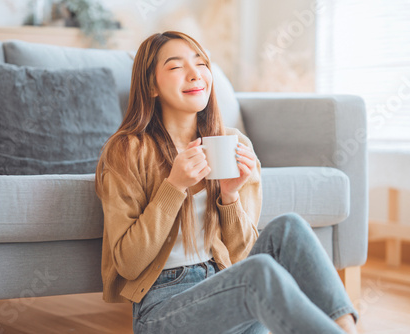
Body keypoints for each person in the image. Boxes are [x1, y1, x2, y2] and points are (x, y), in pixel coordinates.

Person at [95, 30, 359, 334]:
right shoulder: (128, 150)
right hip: (163, 310)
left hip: (228, 293)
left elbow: (241, 258)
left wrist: (230, 198)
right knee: (258, 274)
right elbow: (128, 263)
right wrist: (174, 187)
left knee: (290, 227)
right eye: (176, 66)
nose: (195, 74)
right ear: (152, 85)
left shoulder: (233, 143)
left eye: (201, 63)